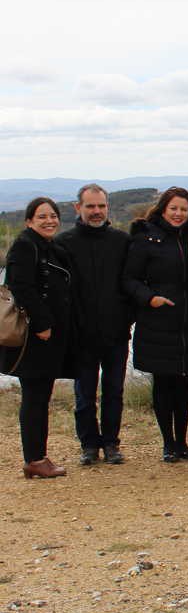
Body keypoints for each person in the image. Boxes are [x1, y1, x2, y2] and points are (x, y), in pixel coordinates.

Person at [124, 187, 188, 463]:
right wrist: (151, 299)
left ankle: (183, 441)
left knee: (184, 382)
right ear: (163, 209)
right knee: (163, 383)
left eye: (183, 209)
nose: (178, 214)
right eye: (174, 208)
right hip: (158, 321)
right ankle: (168, 443)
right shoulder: (145, 238)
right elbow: (129, 279)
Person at [55, 184, 132, 466]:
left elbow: (130, 284)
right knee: (84, 395)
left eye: (101, 206)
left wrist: (127, 318)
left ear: (107, 207)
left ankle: (111, 443)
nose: (97, 211)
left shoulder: (121, 241)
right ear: (78, 208)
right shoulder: (64, 244)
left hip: (115, 332)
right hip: (81, 334)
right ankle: (88, 445)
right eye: (90, 206)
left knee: (114, 392)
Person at [3, 198, 75, 479]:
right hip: (34, 337)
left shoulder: (51, 247)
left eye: (53, 215)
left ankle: (37, 456)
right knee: (34, 397)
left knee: (40, 396)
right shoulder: (25, 245)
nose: (49, 220)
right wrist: (42, 324)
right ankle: (34, 459)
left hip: (49, 336)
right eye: (42, 216)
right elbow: (20, 286)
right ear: (29, 221)